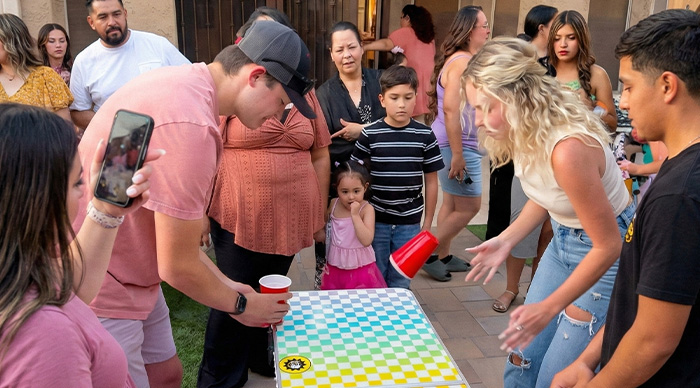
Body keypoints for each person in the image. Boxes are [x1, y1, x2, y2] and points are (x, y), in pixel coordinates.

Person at [73, 21, 313, 388]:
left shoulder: (179, 84)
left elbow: (166, 239)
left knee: (167, 375)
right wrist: (243, 307)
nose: (279, 116)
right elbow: (178, 265)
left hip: (129, 267)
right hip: (103, 283)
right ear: (256, 76)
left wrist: (233, 286)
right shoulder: (193, 125)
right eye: (281, 101)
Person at [463, 37, 635, 388]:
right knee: (520, 363)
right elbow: (547, 194)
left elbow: (609, 246)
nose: (478, 120)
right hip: (562, 241)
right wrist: (505, 239)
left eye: (484, 108)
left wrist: (547, 308)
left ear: (514, 99)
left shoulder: (567, 149)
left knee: (558, 378)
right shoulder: (528, 128)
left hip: (603, 251)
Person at [551, 10, 700, 387]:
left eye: (629, 86)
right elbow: (638, 296)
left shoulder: (679, 195)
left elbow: (653, 340)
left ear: (667, 86)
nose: (624, 101)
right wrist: (587, 360)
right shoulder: (677, 168)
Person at [196, 10, 331, 388]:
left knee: (269, 291)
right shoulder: (226, 95)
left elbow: (320, 153)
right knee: (231, 297)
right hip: (239, 213)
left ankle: (259, 357)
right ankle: (221, 378)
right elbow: (209, 151)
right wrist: (201, 211)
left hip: (291, 215)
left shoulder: (304, 93)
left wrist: (317, 213)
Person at [0, 103, 159, 387]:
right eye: (76, 184)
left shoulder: (16, 276)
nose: (84, 192)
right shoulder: (44, 336)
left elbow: (70, 290)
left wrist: (106, 209)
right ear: (36, 200)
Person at [490, 6, 559, 313]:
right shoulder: (523, 61)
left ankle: (536, 289)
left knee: (548, 230)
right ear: (544, 27)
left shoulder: (569, 66)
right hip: (525, 157)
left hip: (559, 157)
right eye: (559, 26)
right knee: (521, 222)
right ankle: (510, 289)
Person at [351, 65, 443, 288]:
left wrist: (428, 222)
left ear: (416, 98)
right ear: (382, 99)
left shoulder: (425, 134)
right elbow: (355, 177)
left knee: (402, 277)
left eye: (407, 97)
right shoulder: (370, 134)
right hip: (376, 220)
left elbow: (431, 180)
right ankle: (378, 320)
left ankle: (400, 318)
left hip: (409, 223)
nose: (401, 104)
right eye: (394, 97)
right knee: (376, 274)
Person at [315, 21, 386, 289]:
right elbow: (320, 149)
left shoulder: (381, 81)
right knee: (334, 255)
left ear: (362, 47)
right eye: (340, 49)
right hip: (341, 188)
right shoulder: (323, 94)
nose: (347, 54)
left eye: (352, 47)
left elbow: (398, 121)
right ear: (331, 54)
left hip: (379, 181)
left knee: (374, 251)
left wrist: (363, 130)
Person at [421, 6, 489, 282]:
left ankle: (443, 255)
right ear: (470, 30)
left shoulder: (462, 59)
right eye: (484, 26)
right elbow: (450, 111)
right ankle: (426, 253)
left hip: (452, 143)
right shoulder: (461, 63)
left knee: (451, 202)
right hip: (455, 145)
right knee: (470, 206)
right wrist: (459, 155)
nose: (488, 31)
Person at [69, 0, 190, 130]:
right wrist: (116, 127)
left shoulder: (157, 45)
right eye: (103, 17)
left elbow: (193, 81)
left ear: (125, 14)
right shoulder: (84, 61)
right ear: (91, 22)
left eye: (116, 14)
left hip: (168, 135)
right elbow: (78, 112)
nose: (112, 22)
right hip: (119, 144)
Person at [321, 160, 387, 290]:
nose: (351, 197)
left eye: (356, 191)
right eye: (344, 192)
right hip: (336, 264)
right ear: (337, 189)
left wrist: (355, 216)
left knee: (361, 302)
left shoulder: (366, 209)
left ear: (365, 187)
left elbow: (367, 240)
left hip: (361, 266)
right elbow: (326, 226)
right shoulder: (334, 204)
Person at [362, 5, 435, 122]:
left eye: (401, 18)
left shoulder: (406, 32)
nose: (400, 22)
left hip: (411, 88)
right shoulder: (429, 39)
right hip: (428, 93)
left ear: (407, 18)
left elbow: (387, 44)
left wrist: (365, 47)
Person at [548, 10, 617, 132]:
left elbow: (612, 125)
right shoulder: (541, 71)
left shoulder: (597, 75)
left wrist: (591, 110)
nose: (563, 44)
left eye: (571, 38)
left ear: (581, 40)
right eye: (557, 38)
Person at [0, 14, 72, 122]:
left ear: (12, 41)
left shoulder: (45, 77)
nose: (58, 45)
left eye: (62, 41)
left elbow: (64, 129)